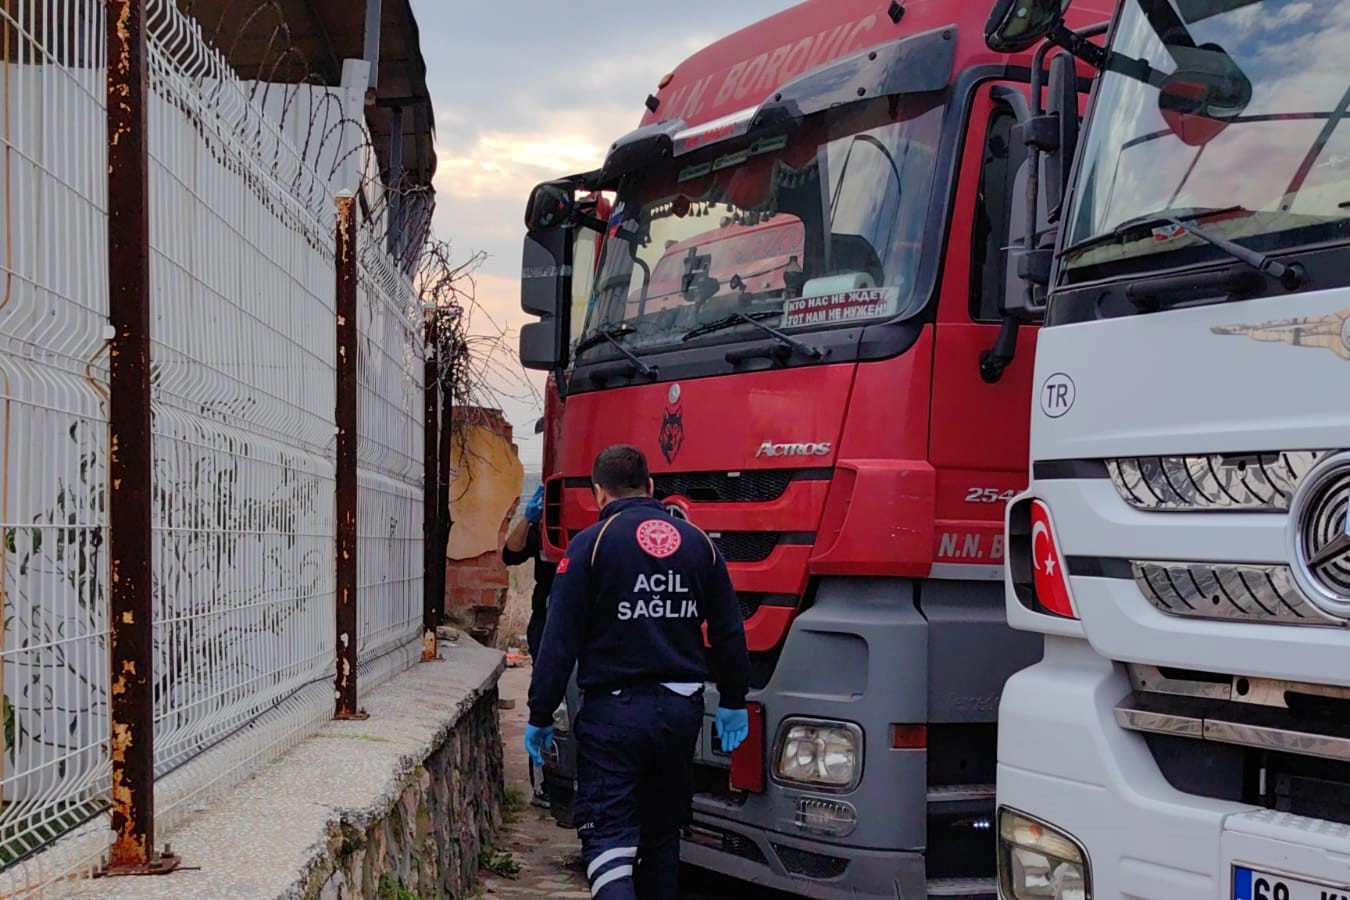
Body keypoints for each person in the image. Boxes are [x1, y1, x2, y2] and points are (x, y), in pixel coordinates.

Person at [525, 445, 750, 900]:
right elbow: (728, 630)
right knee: (662, 835)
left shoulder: (591, 545)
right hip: (681, 712)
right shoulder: (699, 544)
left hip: (615, 713)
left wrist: (540, 712)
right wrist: (733, 699)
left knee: (608, 835)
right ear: (650, 486)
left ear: (599, 493)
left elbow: (559, 639)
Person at [502, 483, 557, 808]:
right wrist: (528, 518)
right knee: (544, 696)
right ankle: (542, 782)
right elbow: (511, 553)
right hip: (547, 618)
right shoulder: (549, 522)